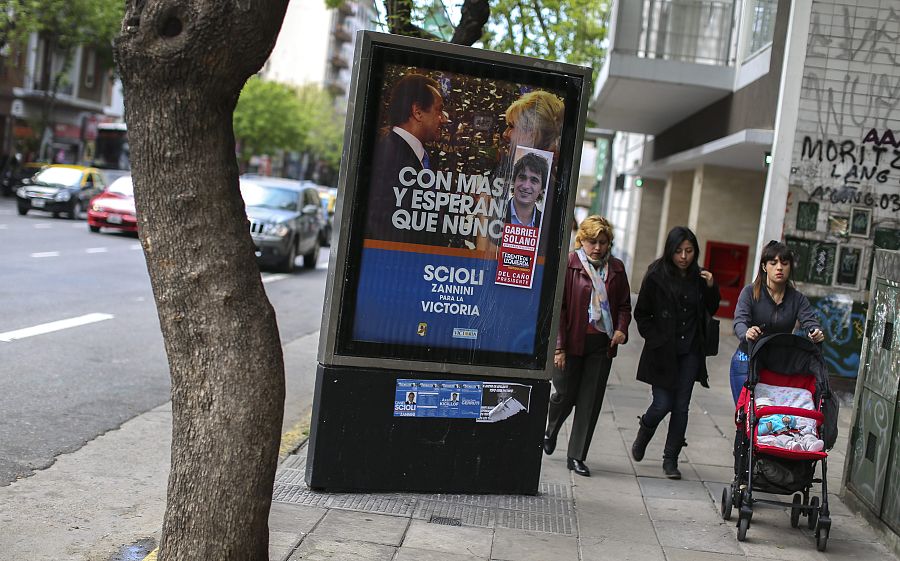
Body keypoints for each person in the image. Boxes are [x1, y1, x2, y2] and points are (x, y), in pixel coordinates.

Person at [544, 216, 631, 477]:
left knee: (589, 401)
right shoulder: (569, 264)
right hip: (570, 342)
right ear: (581, 241)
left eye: (602, 242)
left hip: (601, 345)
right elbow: (558, 308)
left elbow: (625, 305)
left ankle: (576, 456)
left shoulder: (616, 268)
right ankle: (551, 429)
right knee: (563, 395)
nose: (597, 247)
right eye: (592, 241)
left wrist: (621, 329)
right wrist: (558, 348)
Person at [630, 226, 720, 479]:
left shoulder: (700, 278)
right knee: (662, 404)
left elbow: (711, 309)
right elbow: (642, 314)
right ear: (670, 250)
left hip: (690, 350)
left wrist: (712, 286)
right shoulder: (656, 275)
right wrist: (655, 338)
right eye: (679, 251)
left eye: (689, 251)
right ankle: (645, 429)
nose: (684, 256)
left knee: (681, 407)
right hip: (662, 351)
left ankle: (671, 460)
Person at [730, 240, 824, 403]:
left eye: (784, 263)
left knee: (773, 418)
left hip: (778, 363)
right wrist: (746, 332)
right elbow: (739, 321)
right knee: (747, 416)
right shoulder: (749, 292)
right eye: (773, 263)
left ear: (790, 267)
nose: (779, 267)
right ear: (764, 267)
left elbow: (810, 321)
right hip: (747, 359)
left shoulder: (797, 299)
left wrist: (815, 331)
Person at [365, 73, 449, 245]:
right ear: (417, 111)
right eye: (439, 110)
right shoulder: (391, 157)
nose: (444, 119)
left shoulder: (408, 154)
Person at [506, 152, 549, 228]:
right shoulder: (497, 214)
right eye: (522, 177)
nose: (526, 186)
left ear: (542, 189)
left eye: (534, 180)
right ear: (514, 181)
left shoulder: (547, 224)